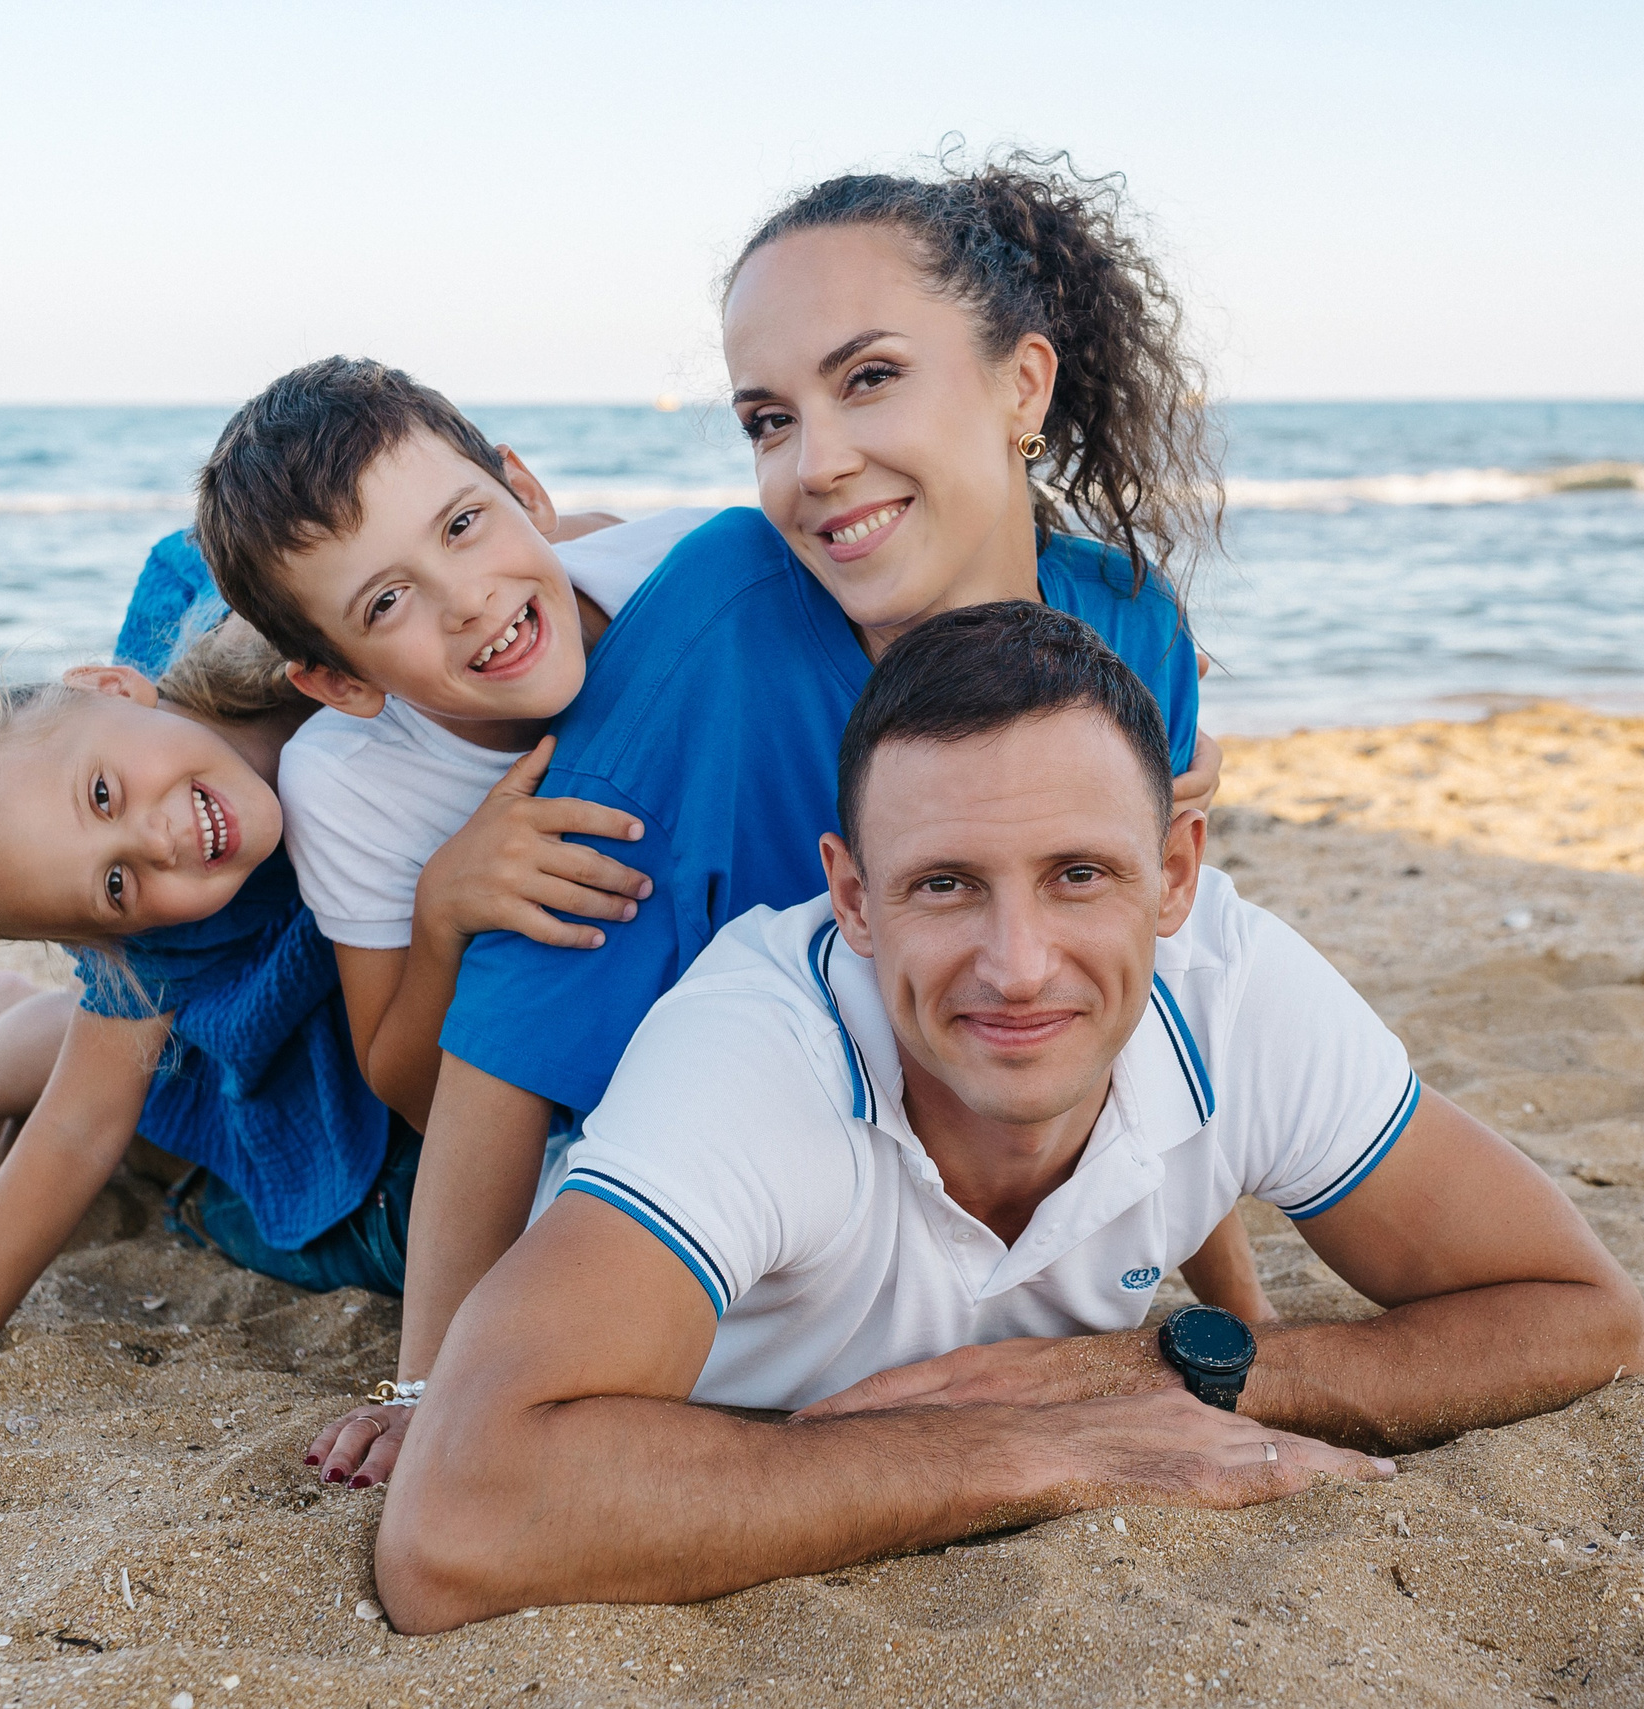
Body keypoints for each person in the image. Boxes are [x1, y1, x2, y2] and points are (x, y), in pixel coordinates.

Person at [373, 603, 1644, 1625]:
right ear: (856, 898)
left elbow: (1590, 1318)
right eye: (945, 884)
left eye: (1079, 875)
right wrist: (1037, 1449)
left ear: (1173, 877)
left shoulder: (1239, 991)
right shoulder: (758, 1057)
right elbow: (457, 1524)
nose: (1019, 964)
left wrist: (1156, 1369)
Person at [285, 155, 1272, 1488]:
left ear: (1020, 385)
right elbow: (509, 1043)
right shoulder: (725, 616)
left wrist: (1239, 1321)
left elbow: (1144, 1001)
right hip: (675, 1180)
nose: (816, 464)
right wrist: (433, 1384)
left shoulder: (1132, 626)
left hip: (957, 1168)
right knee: (258, 1165)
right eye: (766, 419)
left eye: (870, 379)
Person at [0, 555, 401, 1404]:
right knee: (218, 1142)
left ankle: (0, 1045)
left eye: (103, 794)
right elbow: (75, 1131)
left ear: (111, 686)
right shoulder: (174, 923)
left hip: (307, 1013)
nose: (156, 840)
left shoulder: (273, 616)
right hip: (292, 1061)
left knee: (144, 1049)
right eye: (115, 884)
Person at [192, 356, 692, 1133]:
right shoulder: (345, 781)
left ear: (525, 493)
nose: (465, 600)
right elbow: (412, 1095)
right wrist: (441, 910)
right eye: (388, 601)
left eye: (462, 525)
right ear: (339, 683)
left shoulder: (688, 574)